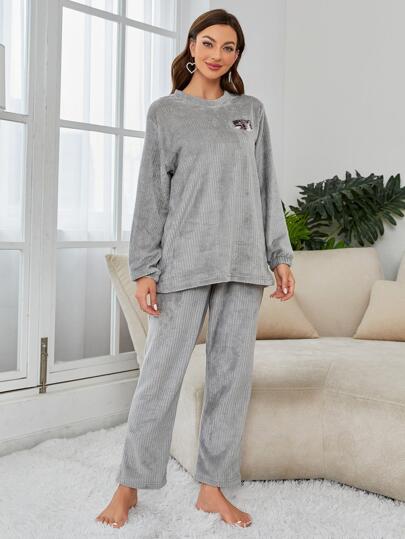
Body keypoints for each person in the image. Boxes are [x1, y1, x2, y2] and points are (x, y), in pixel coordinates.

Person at [96, 8, 295, 530]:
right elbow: (151, 196)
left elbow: (266, 188)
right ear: (191, 45)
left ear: (237, 55)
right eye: (208, 43)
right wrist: (145, 267)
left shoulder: (250, 111)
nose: (216, 55)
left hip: (243, 263)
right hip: (183, 262)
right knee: (160, 376)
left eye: (228, 47)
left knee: (231, 378)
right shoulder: (166, 113)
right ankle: (128, 485)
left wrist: (280, 256)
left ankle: (212, 488)